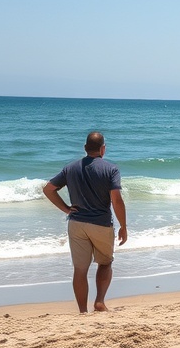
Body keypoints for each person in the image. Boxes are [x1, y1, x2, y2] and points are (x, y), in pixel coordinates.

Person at [42, 131, 128, 313]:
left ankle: (82, 311)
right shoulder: (110, 169)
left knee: (80, 269)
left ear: (85, 148)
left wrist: (66, 209)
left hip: (76, 224)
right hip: (101, 224)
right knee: (105, 263)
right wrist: (123, 226)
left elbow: (49, 189)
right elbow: (116, 200)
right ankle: (99, 302)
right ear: (103, 149)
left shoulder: (70, 168)